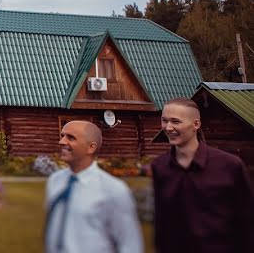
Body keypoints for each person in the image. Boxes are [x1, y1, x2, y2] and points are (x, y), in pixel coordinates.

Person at [152, 98, 254, 253]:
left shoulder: (229, 166)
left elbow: (247, 222)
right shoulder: (160, 167)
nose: (168, 127)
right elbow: (161, 224)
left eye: (176, 121)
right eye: (164, 120)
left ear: (196, 125)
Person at [45, 120, 142, 253]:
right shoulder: (55, 181)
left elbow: (129, 244)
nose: (61, 142)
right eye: (62, 136)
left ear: (91, 147)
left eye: (71, 137)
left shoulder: (113, 189)